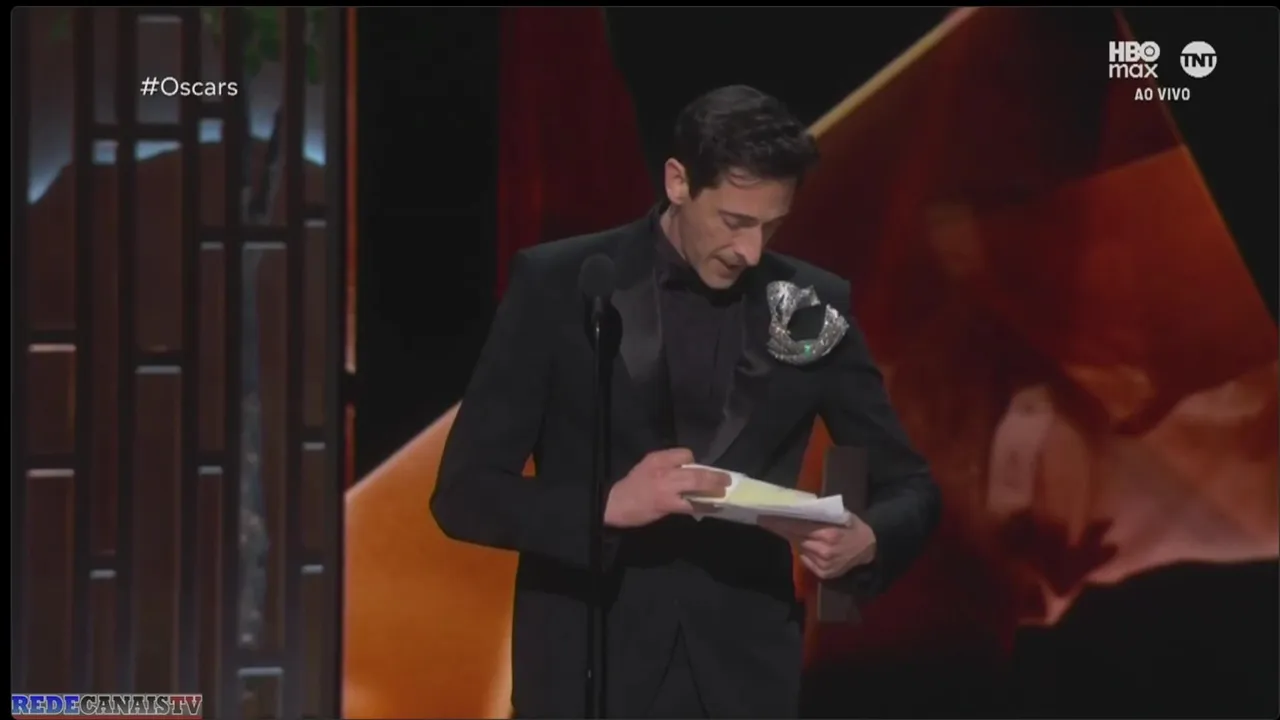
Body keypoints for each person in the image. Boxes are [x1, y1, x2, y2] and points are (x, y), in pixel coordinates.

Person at [431, 85, 941, 718]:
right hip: (587, 673)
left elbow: (910, 485)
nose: (752, 251)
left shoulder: (805, 306)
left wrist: (868, 538)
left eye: (772, 225)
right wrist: (608, 505)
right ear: (678, 182)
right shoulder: (564, 284)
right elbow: (464, 494)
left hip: (744, 682)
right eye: (735, 222)